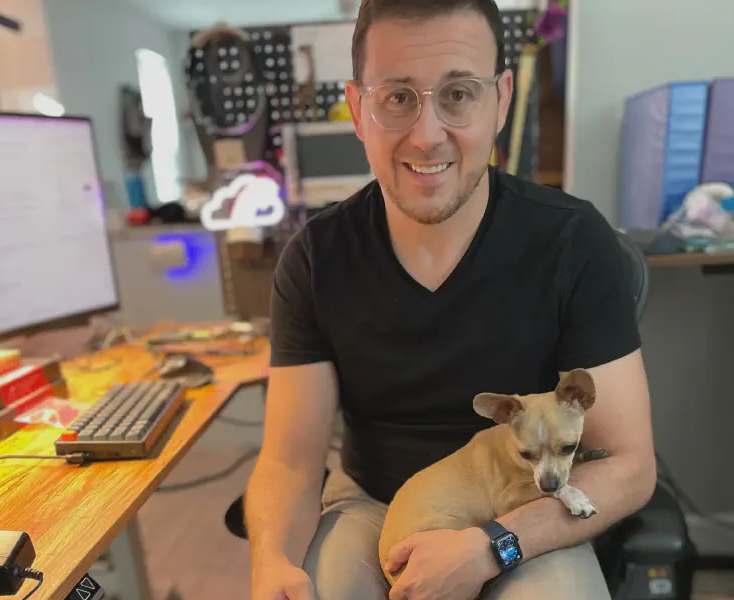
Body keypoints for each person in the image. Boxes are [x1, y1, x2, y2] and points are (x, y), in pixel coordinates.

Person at [246, 0, 657, 598]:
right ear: (358, 108)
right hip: (372, 502)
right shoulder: (315, 257)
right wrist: (271, 562)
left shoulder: (574, 242)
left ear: (501, 101)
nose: (427, 133)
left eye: (459, 93)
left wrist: (496, 543)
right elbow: (289, 463)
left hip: (524, 510)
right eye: (397, 97)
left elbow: (629, 463)